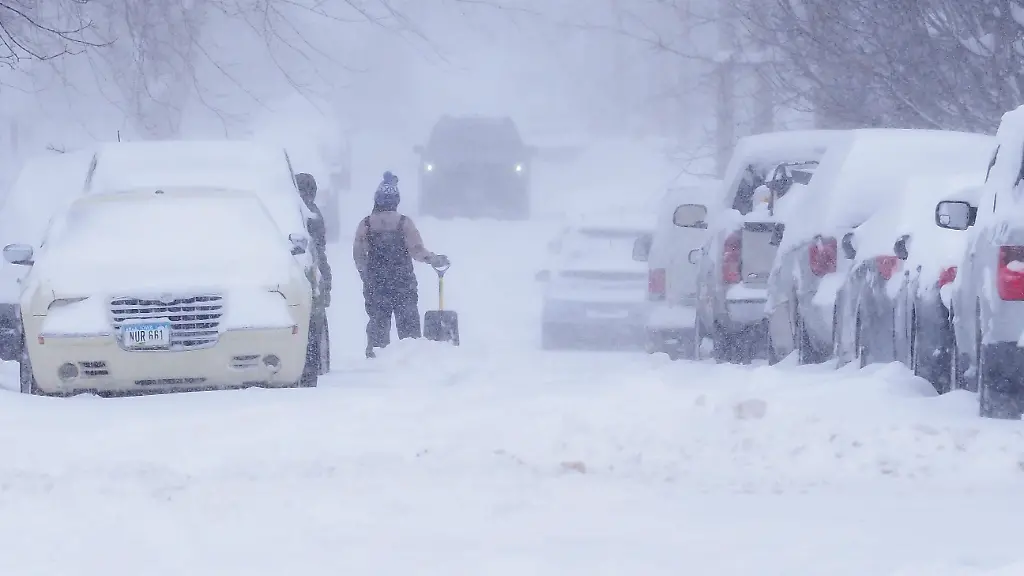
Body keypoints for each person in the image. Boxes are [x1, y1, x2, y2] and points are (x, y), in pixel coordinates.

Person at [353, 171, 449, 358]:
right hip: (402, 282)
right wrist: (434, 259)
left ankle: (376, 357)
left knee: (378, 323)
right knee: (408, 325)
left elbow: (359, 255)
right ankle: (411, 358)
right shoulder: (404, 223)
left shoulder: (366, 224)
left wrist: (366, 275)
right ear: (396, 200)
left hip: (376, 284)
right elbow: (417, 250)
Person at [294, 172, 333, 309]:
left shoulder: (288, 209)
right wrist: (326, 283)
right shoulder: (313, 215)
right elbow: (319, 253)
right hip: (309, 277)